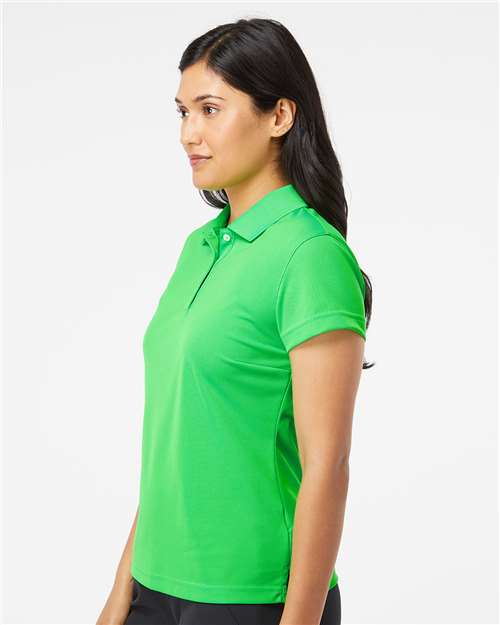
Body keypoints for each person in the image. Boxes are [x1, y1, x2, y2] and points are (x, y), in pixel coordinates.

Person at [96, 16, 374, 625]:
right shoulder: (199, 247)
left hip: (252, 598)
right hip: (154, 585)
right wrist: (120, 593)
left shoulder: (311, 255)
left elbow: (327, 465)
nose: (188, 133)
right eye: (182, 112)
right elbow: (178, 442)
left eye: (210, 109)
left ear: (280, 116)